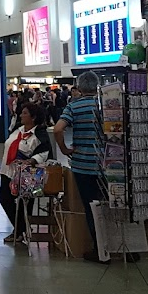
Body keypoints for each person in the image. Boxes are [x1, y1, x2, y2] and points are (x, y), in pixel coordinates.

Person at [54, 71, 106, 263]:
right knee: (114, 205)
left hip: (84, 165)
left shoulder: (74, 105)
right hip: (110, 164)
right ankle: (122, 245)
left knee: (92, 207)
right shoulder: (108, 104)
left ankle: (100, 249)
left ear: (79, 87)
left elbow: (58, 129)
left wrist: (65, 149)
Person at [0, 102, 53, 243]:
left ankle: (20, 230)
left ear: (33, 117)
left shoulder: (40, 134)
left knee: (26, 202)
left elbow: (45, 153)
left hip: (29, 173)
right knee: (4, 197)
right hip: (8, 170)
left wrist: (32, 161)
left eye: (25, 113)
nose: (21, 115)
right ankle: (22, 228)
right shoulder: (18, 129)